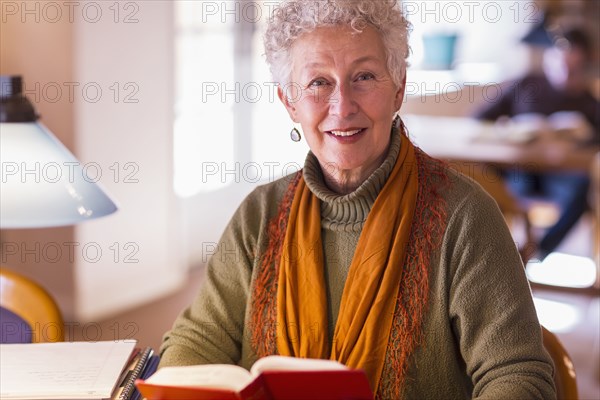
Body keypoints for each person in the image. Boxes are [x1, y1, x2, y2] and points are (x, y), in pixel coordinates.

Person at [160, 1, 556, 399]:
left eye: (364, 76)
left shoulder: (465, 217)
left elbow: (518, 376)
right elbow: (194, 343)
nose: (343, 106)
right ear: (289, 102)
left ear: (398, 88)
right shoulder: (259, 213)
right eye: (318, 83)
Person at [475, 27, 599, 259]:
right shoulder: (526, 84)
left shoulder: (589, 103)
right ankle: (497, 254)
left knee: (583, 188)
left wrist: (580, 136)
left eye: (573, 69)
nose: (565, 73)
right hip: (519, 171)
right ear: (550, 59)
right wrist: (510, 130)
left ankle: (534, 251)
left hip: (559, 177)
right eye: (562, 64)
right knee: (485, 184)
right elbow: (479, 118)